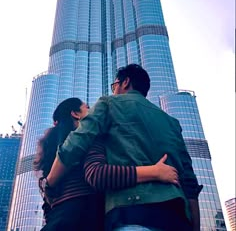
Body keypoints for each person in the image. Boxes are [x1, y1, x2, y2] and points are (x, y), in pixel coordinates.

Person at [46, 64, 202, 231]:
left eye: (115, 86)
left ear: (125, 82)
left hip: (133, 213)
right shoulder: (172, 123)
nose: (114, 91)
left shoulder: (108, 104)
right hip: (178, 218)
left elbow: (74, 146)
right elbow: (190, 183)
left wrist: (49, 184)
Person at [35, 96, 180, 231]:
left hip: (59, 220)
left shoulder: (51, 151)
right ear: (75, 114)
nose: (93, 111)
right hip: (84, 218)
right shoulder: (88, 139)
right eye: (87, 107)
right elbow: (99, 174)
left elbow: (47, 205)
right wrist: (155, 172)